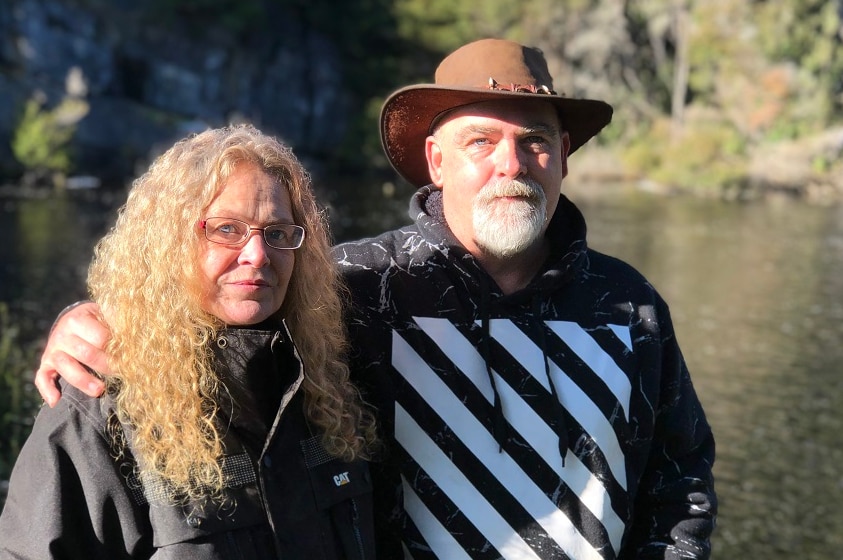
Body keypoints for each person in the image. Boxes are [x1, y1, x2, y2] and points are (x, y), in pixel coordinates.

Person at [32, 38, 717, 559]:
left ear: (563, 156)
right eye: (480, 142)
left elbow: (680, 476)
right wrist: (90, 320)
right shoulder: (355, 286)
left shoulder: (628, 306)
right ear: (436, 161)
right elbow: (224, 307)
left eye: (534, 142)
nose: (510, 164)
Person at [1, 124, 378, 559]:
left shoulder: (331, 380)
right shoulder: (99, 401)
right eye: (227, 229)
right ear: (169, 242)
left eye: (277, 233)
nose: (257, 254)